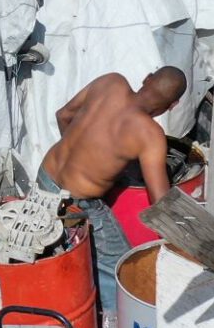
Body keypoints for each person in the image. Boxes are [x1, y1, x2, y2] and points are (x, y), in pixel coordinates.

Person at [40, 67, 187, 313]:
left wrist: (83, 154)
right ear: (173, 105)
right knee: (121, 270)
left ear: (146, 78)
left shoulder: (110, 81)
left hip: (45, 178)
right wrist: (187, 240)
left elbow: (64, 115)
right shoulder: (149, 134)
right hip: (77, 204)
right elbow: (161, 203)